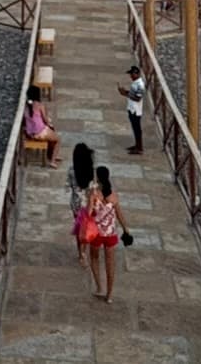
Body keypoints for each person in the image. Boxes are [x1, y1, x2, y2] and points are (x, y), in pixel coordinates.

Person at [84, 165, 124, 302]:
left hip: (97, 233)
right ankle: (110, 294)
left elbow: (89, 213)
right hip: (110, 233)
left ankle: (99, 287)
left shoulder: (94, 194)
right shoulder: (113, 195)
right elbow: (119, 214)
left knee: (94, 258)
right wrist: (126, 229)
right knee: (110, 263)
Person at [68, 143, 97, 262]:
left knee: (79, 228)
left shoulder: (71, 171)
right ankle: (87, 249)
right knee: (89, 227)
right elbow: (94, 189)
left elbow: (68, 186)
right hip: (89, 204)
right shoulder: (91, 172)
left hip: (76, 204)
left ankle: (81, 253)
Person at [23, 84, 60, 166]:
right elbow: (45, 120)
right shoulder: (40, 105)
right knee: (57, 139)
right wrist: (49, 122)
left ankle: (51, 156)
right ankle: (53, 161)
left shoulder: (26, 106)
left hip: (30, 133)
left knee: (51, 135)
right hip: (40, 132)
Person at [119, 64, 146, 155]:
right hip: (132, 108)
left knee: (137, 129)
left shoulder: (140, 85)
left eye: (132, 74)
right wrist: (124, 92)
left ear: (136, 74)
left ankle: (139, 147)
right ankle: (137, 145)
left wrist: (126, 94)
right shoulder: (135, 83)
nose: (130, 76)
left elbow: (138, 98)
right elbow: (132, 94)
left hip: (136, 110)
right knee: (135, 128)